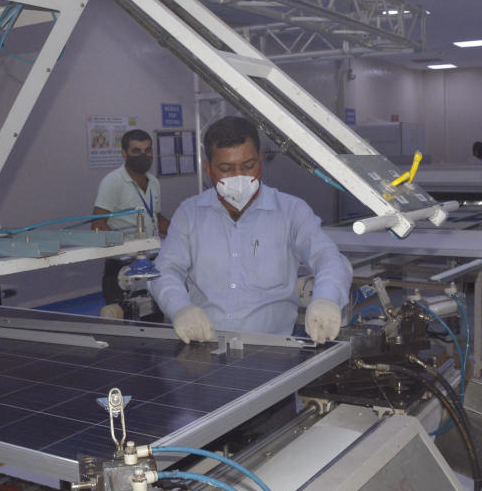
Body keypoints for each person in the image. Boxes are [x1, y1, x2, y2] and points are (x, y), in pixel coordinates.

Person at [148, 116, 352, 344]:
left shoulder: (291, 211)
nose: (239, 177)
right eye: (226, 169)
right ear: (208, 169)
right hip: (206, 348)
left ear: (260, 161)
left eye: (248, 166)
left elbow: (328, 258)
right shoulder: (190, 214)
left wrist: (326, 299)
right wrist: (180, 308)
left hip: (274, 352)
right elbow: (164, 270)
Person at [92, 129, 170, 306]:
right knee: (125, 323)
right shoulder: (113, 181)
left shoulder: (154, 182)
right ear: (124, 154)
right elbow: (98, 224)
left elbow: (156, 217)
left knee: (155, 320)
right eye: (136, 151)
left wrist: (182, 234)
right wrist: (124, 248)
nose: (143, 155)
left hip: (150, 263)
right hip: (122, 267)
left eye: (147, 150)